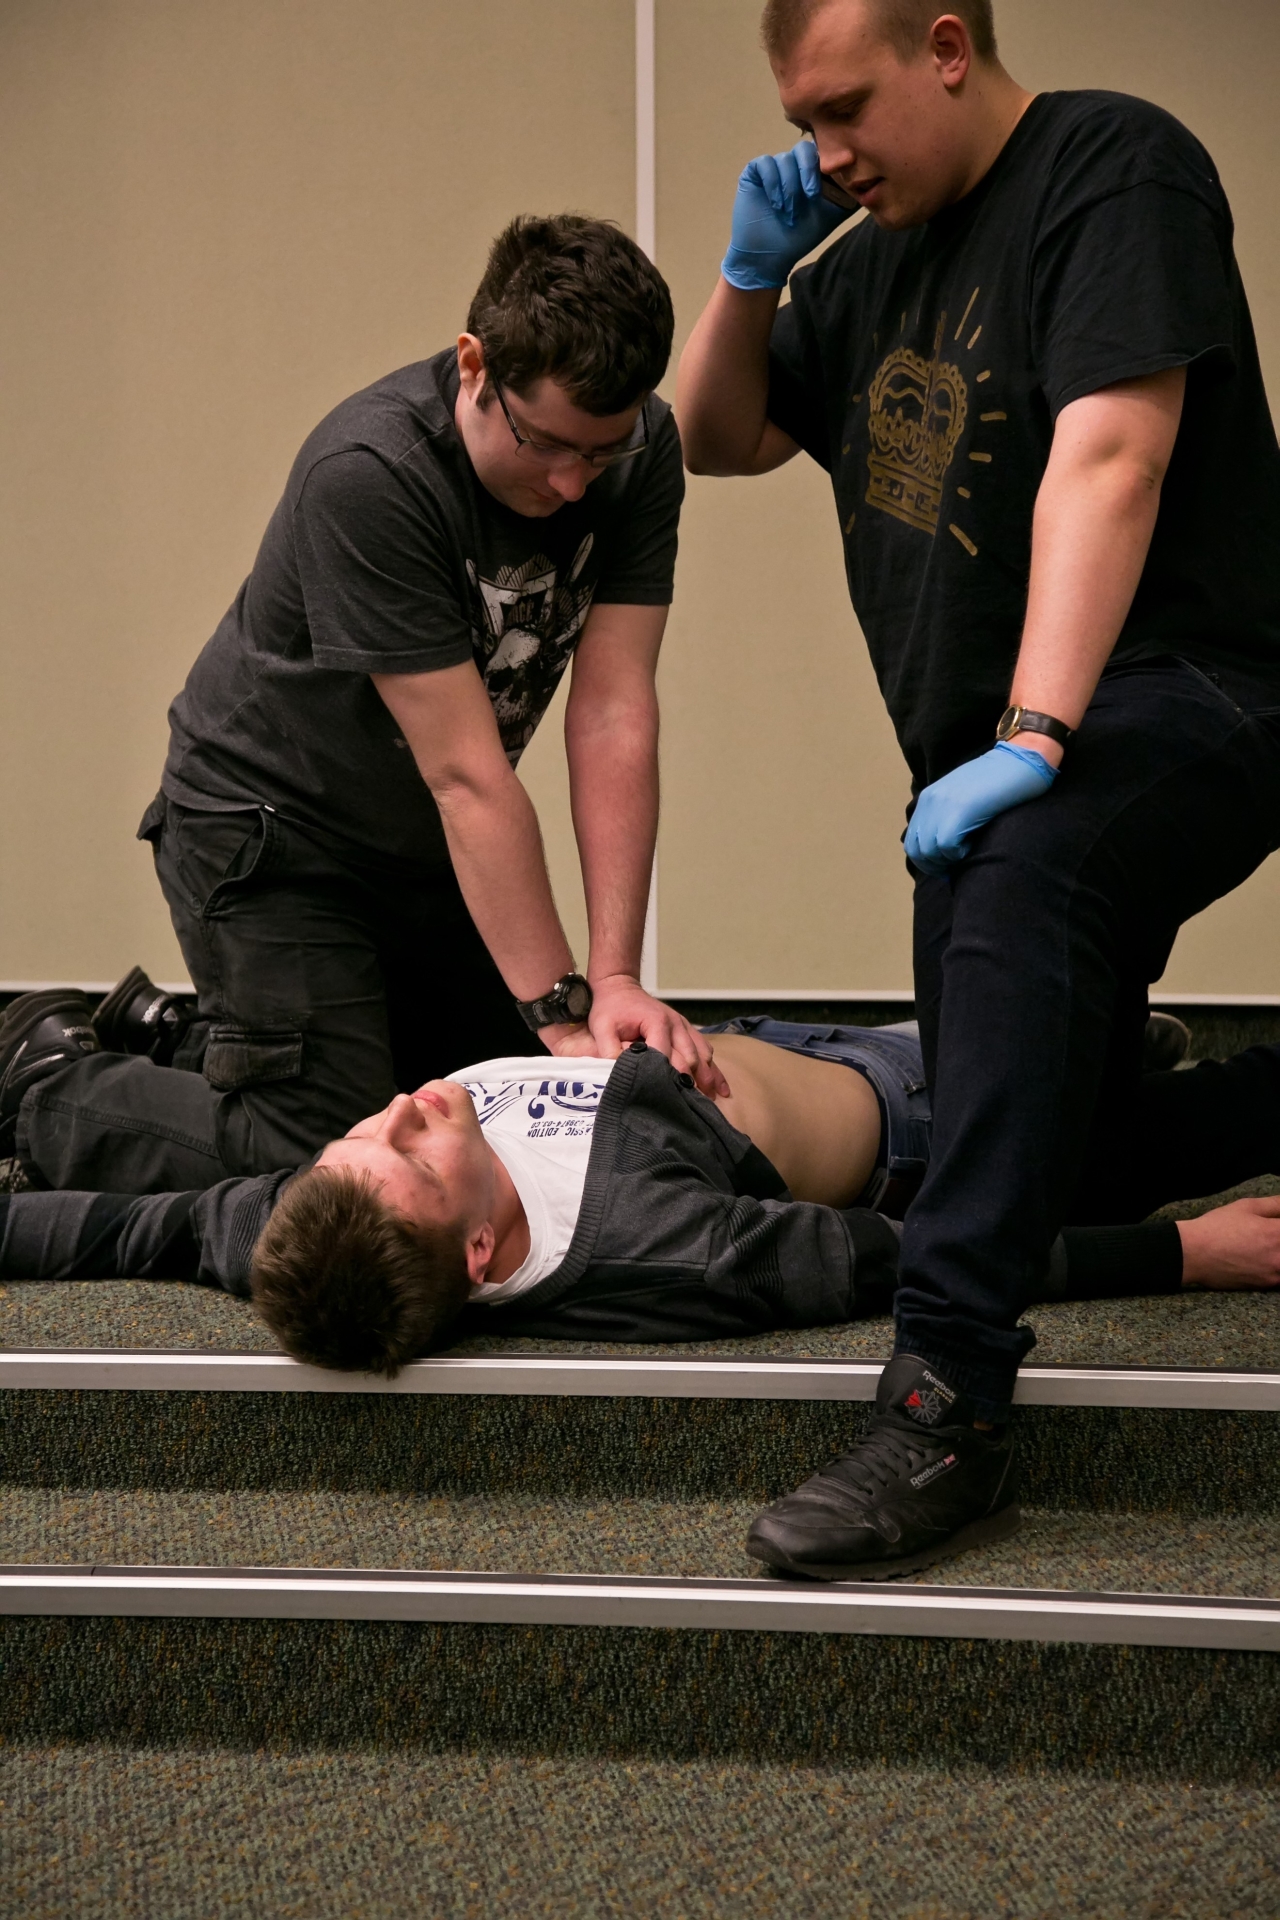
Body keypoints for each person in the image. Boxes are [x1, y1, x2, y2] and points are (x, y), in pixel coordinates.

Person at [675, 0, 1280, 1574]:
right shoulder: (863, 262)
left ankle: (941, 1408)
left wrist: (1031, 738)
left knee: (1023, 870)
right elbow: (713, 434)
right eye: (801, 124)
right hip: (1015, 750)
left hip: (1198, 689)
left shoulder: (1112, 166)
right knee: (1035, 1145)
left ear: (947, 47)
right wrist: (750, 276)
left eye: (846, 107)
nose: (827, 153)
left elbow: (1114, 455)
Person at [4, 1003, 1279, 1583]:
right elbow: (923, 1259)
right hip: (906, 1116)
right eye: (410, 1152)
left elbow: (115, 1230)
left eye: (358, 1140)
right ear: (478, 1257)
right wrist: (1185, 1256)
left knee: (1074, 1036)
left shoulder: (306, 1218)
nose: (394, 1110)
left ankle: (1092, 1052)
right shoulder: (671, 1249)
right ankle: (1091, 1075)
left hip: (754, 1033)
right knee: (1158, 1115)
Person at [0, 214, 725, 1197]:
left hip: (416, 843)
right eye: (546, 443)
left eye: (599, 453)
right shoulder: (372, 475)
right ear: (475, 365)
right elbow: (467, 776)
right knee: (339, 1157)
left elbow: (612, 711)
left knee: (508, 1121)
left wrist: (615, 980)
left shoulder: (640, 448)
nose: (570, 482)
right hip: (268, 830)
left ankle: (183, 1042)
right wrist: (562, 1014)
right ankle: (41, 1080)